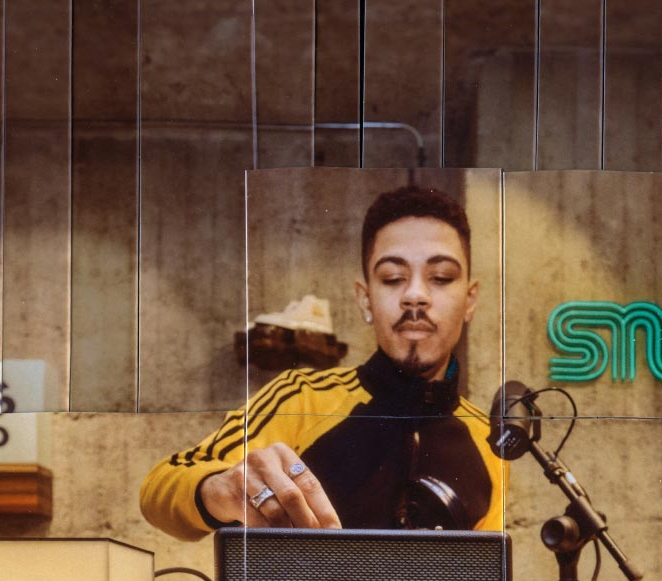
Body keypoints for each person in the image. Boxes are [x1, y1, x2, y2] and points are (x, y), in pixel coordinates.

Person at [140, 185, 505, 540]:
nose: (415, 295)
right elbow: (161, 485)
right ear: (364, 300)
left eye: (441, 277)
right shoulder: (299, 397)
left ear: (470, 299)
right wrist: (220, 489)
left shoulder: (489, 443)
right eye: (393, 278)